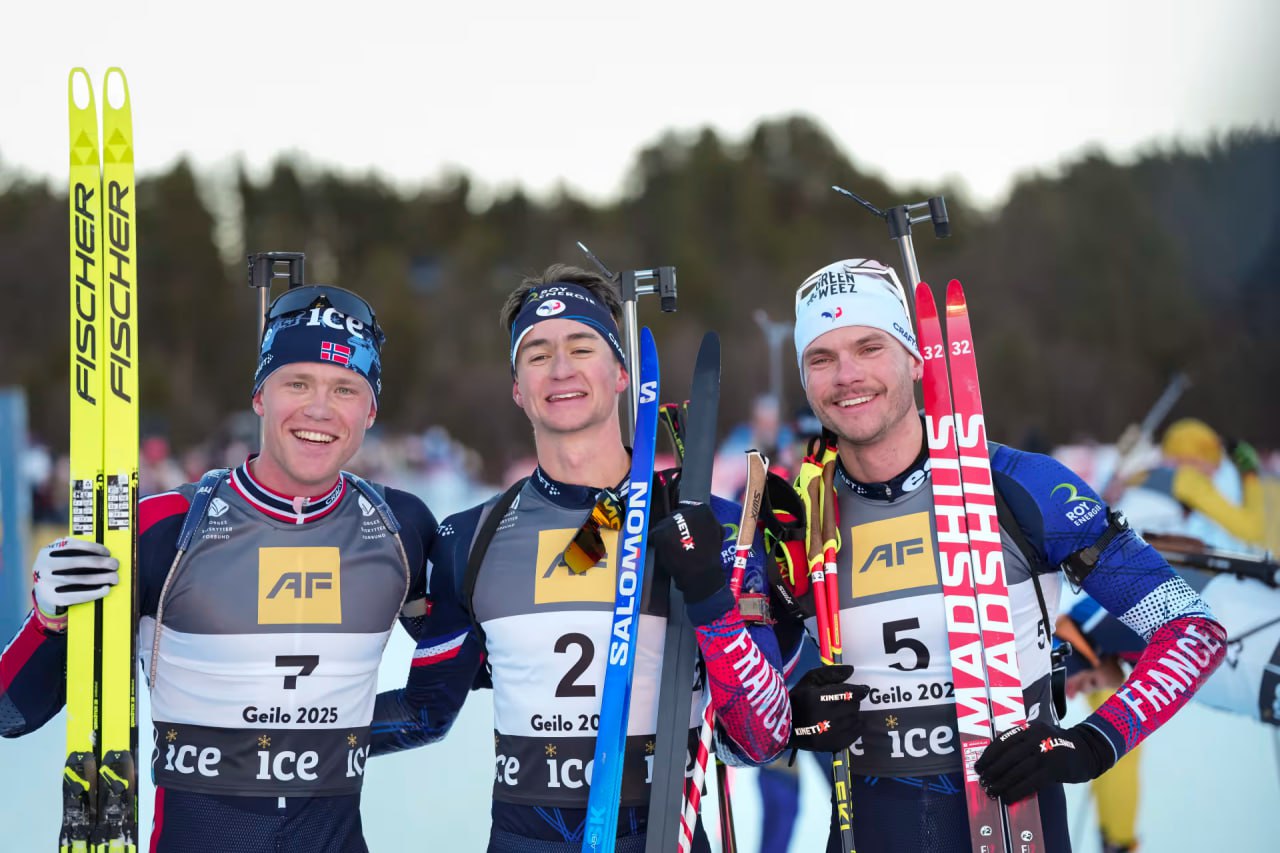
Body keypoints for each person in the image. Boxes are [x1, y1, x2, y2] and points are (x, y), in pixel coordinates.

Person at [769, 258, 1228, 853]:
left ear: (916, 358)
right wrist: (789, 717)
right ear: (805, 380)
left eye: (869, 347)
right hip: (867, 830)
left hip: (1016, 826)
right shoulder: (794, 520)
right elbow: (733, 723)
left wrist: (1093, 742)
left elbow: (1193, 630)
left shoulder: (1020, 487)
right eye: (821, 358)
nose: (847, 375)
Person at [1, 285, 438, 852]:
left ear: (370, 410)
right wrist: (50, 619)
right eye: (297, 383)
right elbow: (10, 712)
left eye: (345, 389)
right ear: (259, 397)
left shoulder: (400, 527)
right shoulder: (163, 530)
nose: (319, 409)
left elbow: (475, 665)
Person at [370, 265, 791, 852]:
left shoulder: (707, 525)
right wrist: (272, 730)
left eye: (581, 347)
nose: (560, 368)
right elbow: (425, 713)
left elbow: (762, 740)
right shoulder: (471, 538)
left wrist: (710, 601)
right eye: (537, 354)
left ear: (621, 374)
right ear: (517, 388)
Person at [1113, 417, 1266, 550]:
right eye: (1214, 465)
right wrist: (1250, 476)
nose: (1212, 476)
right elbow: (1250, 530)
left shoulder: (1143, 475)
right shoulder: (1187, 481)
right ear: (1199, 458)